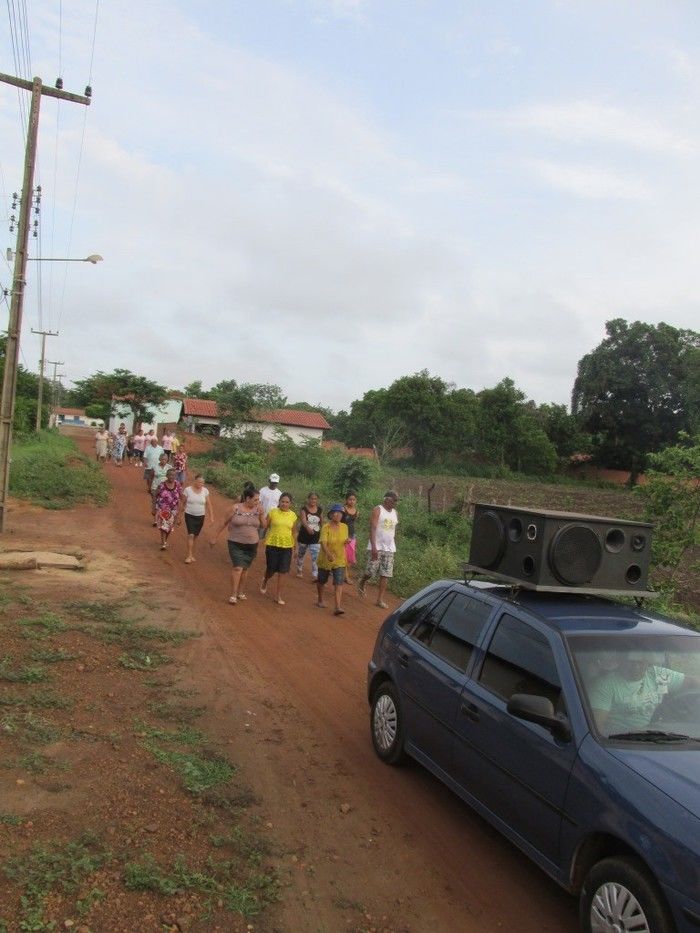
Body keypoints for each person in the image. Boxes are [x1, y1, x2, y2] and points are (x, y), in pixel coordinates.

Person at [589, 654, 699, 737]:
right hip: (621, 740)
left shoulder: (657, 675)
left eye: (640, 662)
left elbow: (691, 682)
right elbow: (597, 728)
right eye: (631, 662)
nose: (636, 667)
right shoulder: (606, 684)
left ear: (648, 662)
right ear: (622, 662)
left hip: (657, 736)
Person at [210, 484, 264, 604]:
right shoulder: (235, 508)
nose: (257, 502)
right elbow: (222, 523)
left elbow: (264, 526)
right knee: (237, 568)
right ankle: (233, 594)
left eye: (258, 500)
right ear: (247, 498)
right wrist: (214, 537)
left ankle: (241, 592)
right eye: (255, 499)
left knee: (245, 569)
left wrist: (261, 515)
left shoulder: (258, 510)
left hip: (252, 544)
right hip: (235, 543)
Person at [358, 491, 399, 610]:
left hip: (390, 548)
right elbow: (373, 528)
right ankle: (362, 580)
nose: (395, 503)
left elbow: (393, 530)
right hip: (377, 546)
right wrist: (374, 547)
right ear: (386, 499)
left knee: (385, 574)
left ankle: (379, 600)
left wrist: (392, 544)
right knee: (370, 572)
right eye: (393, 500)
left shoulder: (396, 513)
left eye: (396, 501)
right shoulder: (378, 510)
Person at [260, 492, 298, 606]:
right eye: (283, 501)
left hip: (286, 546)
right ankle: (265, 580)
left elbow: (294, 532)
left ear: (290, 504)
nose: (284, 504)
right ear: (279, 502)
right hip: (272, 544)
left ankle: (278, 595)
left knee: (283, 571)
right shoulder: (273, 512)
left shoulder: (293, 516)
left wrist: (295, 548)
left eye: (287, 502)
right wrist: (262, 539)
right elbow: (265, 526)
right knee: (271, 569)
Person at [316, 504, 349, 616]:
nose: (337, 514)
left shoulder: (345, 527)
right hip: (326, 558)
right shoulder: (326, 527)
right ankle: (320, 599)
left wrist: (347, 541)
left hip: (339, 558)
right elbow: (323, 543)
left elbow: (344, 540)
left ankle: (337, 606)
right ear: (330, 515)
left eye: (340, 513)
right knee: (322, 580)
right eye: (335, 512)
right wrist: (329, 554)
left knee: (339, 582)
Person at [181, 473, 213, 563]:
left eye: (202, 483)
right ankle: (189, 555)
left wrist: (211, 517)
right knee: (191, 534)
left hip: (200, 516)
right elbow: (182, 503)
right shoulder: (187, 490)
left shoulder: (205, 491)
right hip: (189, 515)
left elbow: (209, 504)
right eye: (199, 482)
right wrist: (179, 516)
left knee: (195, 536)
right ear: (195, 481)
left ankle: (192, 554)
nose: (201, 484)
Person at [296, 492, 323, 580]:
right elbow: (303, 520)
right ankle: (299, 569)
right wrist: (307, 528)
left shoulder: (319, 510)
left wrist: (323, 532)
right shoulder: (304, 509)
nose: (313, 500)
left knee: (316, 556)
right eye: (311, 498)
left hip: (316, 536)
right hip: (304, 535)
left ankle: (315, 574)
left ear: (317, 500)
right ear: (308, 499)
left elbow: (322, 522)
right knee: (301, 554)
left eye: (315, 499)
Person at [154, 467, 182, 550]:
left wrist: (180, 511)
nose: (171, 477)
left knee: (169, 528)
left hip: (173, 510)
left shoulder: (178, 485)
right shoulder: (161, 485)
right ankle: (163, 543)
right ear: (166, 475)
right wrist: (153, 507)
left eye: (173, 475)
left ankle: (165, 540)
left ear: (175, 476)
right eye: (169, 475)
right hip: (162, 509)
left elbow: (181, 497)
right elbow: (155, 495)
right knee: (163, 526)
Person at [341, 491, 359, 584]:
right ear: (346, 500)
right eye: (350, 499)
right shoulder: (343, 510)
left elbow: (353, 523)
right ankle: (346, 576)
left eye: (353, 500)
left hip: (352, 536)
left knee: (350, 557)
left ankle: (343, 574)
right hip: (342, 535)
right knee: (343, 556)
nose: (352, 501)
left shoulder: (356, 512)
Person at [258, 473, 282, 540]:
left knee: (271, 538)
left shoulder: (279, 493)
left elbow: (279, 507)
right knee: (260, 537)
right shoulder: (263, 490)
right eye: (273, 482)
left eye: (276, 482)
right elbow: (258, 503)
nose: (274, 484)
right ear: (269, 481)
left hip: (273, 519)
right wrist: (261, 516)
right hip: (263, 517)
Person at [150, 453, 170, 525]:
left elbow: (172, 478)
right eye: (162, 459)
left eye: (165, 459)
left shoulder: (169, 467)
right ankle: (155, 520)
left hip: (166, 489)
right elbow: (151, 477)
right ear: (159, 459)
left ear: (167, 460)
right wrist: (149, 487)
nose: (163, 461)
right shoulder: (154, 467)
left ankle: (162, 518)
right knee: (155, 502)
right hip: (155, 487)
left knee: (164, 504)